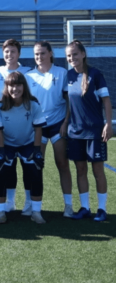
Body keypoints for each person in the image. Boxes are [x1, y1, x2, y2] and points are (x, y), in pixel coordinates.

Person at [65, 40, 112, 222]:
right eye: (69, 55)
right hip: (75, 132)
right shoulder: (68, 75)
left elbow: (106, 101)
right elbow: (69, 103)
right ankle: (85, 207)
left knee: (98, 171)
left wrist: (108, 124)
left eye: (75, 54)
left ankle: (102, 209)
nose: (72, 58)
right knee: (80, 170)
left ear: (83, 54)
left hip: (94, 131)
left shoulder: (95, 74)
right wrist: (66, 123)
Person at [25, 41, 73, 217]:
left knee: (62, 164)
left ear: (51, 53)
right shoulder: (29, 76)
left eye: (42, 53)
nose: (39, 57)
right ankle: (32, 203)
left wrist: (65, 122)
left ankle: (68, 205)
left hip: (58, 125)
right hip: (38, 127)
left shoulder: (61, 73)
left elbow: (69, 100)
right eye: (36, 54)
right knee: (36, 166)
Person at [0, 72, 47, 224]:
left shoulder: (33, 104)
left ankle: (36, 212)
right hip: (7, 144)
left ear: (24, 87)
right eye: (11, 85)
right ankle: (1, 212)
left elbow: (38, 129)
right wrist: (1, 152)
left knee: (35, 171)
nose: (15, 89)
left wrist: (37, 151)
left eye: (18, 85)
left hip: (28, 143)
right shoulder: (0, 106)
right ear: (6, 87)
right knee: (1, 171)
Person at [0, 39, 31, 212]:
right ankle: (10, 202)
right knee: (8, 168)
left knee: (29, 169)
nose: (9, 55)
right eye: (6, 52)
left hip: (24, 126)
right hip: (3, 126)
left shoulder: (27, 72)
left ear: (19, 53)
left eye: (13, 51)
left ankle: (29, 203)